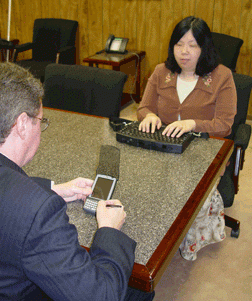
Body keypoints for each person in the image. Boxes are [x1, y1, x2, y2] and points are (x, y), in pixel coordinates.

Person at [0, 62, 155, 301]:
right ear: (21, 124)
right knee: (138, 289)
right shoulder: (38, 214)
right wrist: (108, 231)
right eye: (40, 121)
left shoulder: (26, 200)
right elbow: (101, 296)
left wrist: (53, 189)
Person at [137, 16, 237, 260]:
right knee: (138, 181)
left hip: (204, 152)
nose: (185, 52)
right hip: (164, 148)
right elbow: (143, 108)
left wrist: (193, 124)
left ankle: (183, 242)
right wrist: (148, 115)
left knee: (185, 192)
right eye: (179, 44)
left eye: (193, 45)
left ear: (204, 48)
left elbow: (224, 125)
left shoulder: (222, 77)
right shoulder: (162, 72)